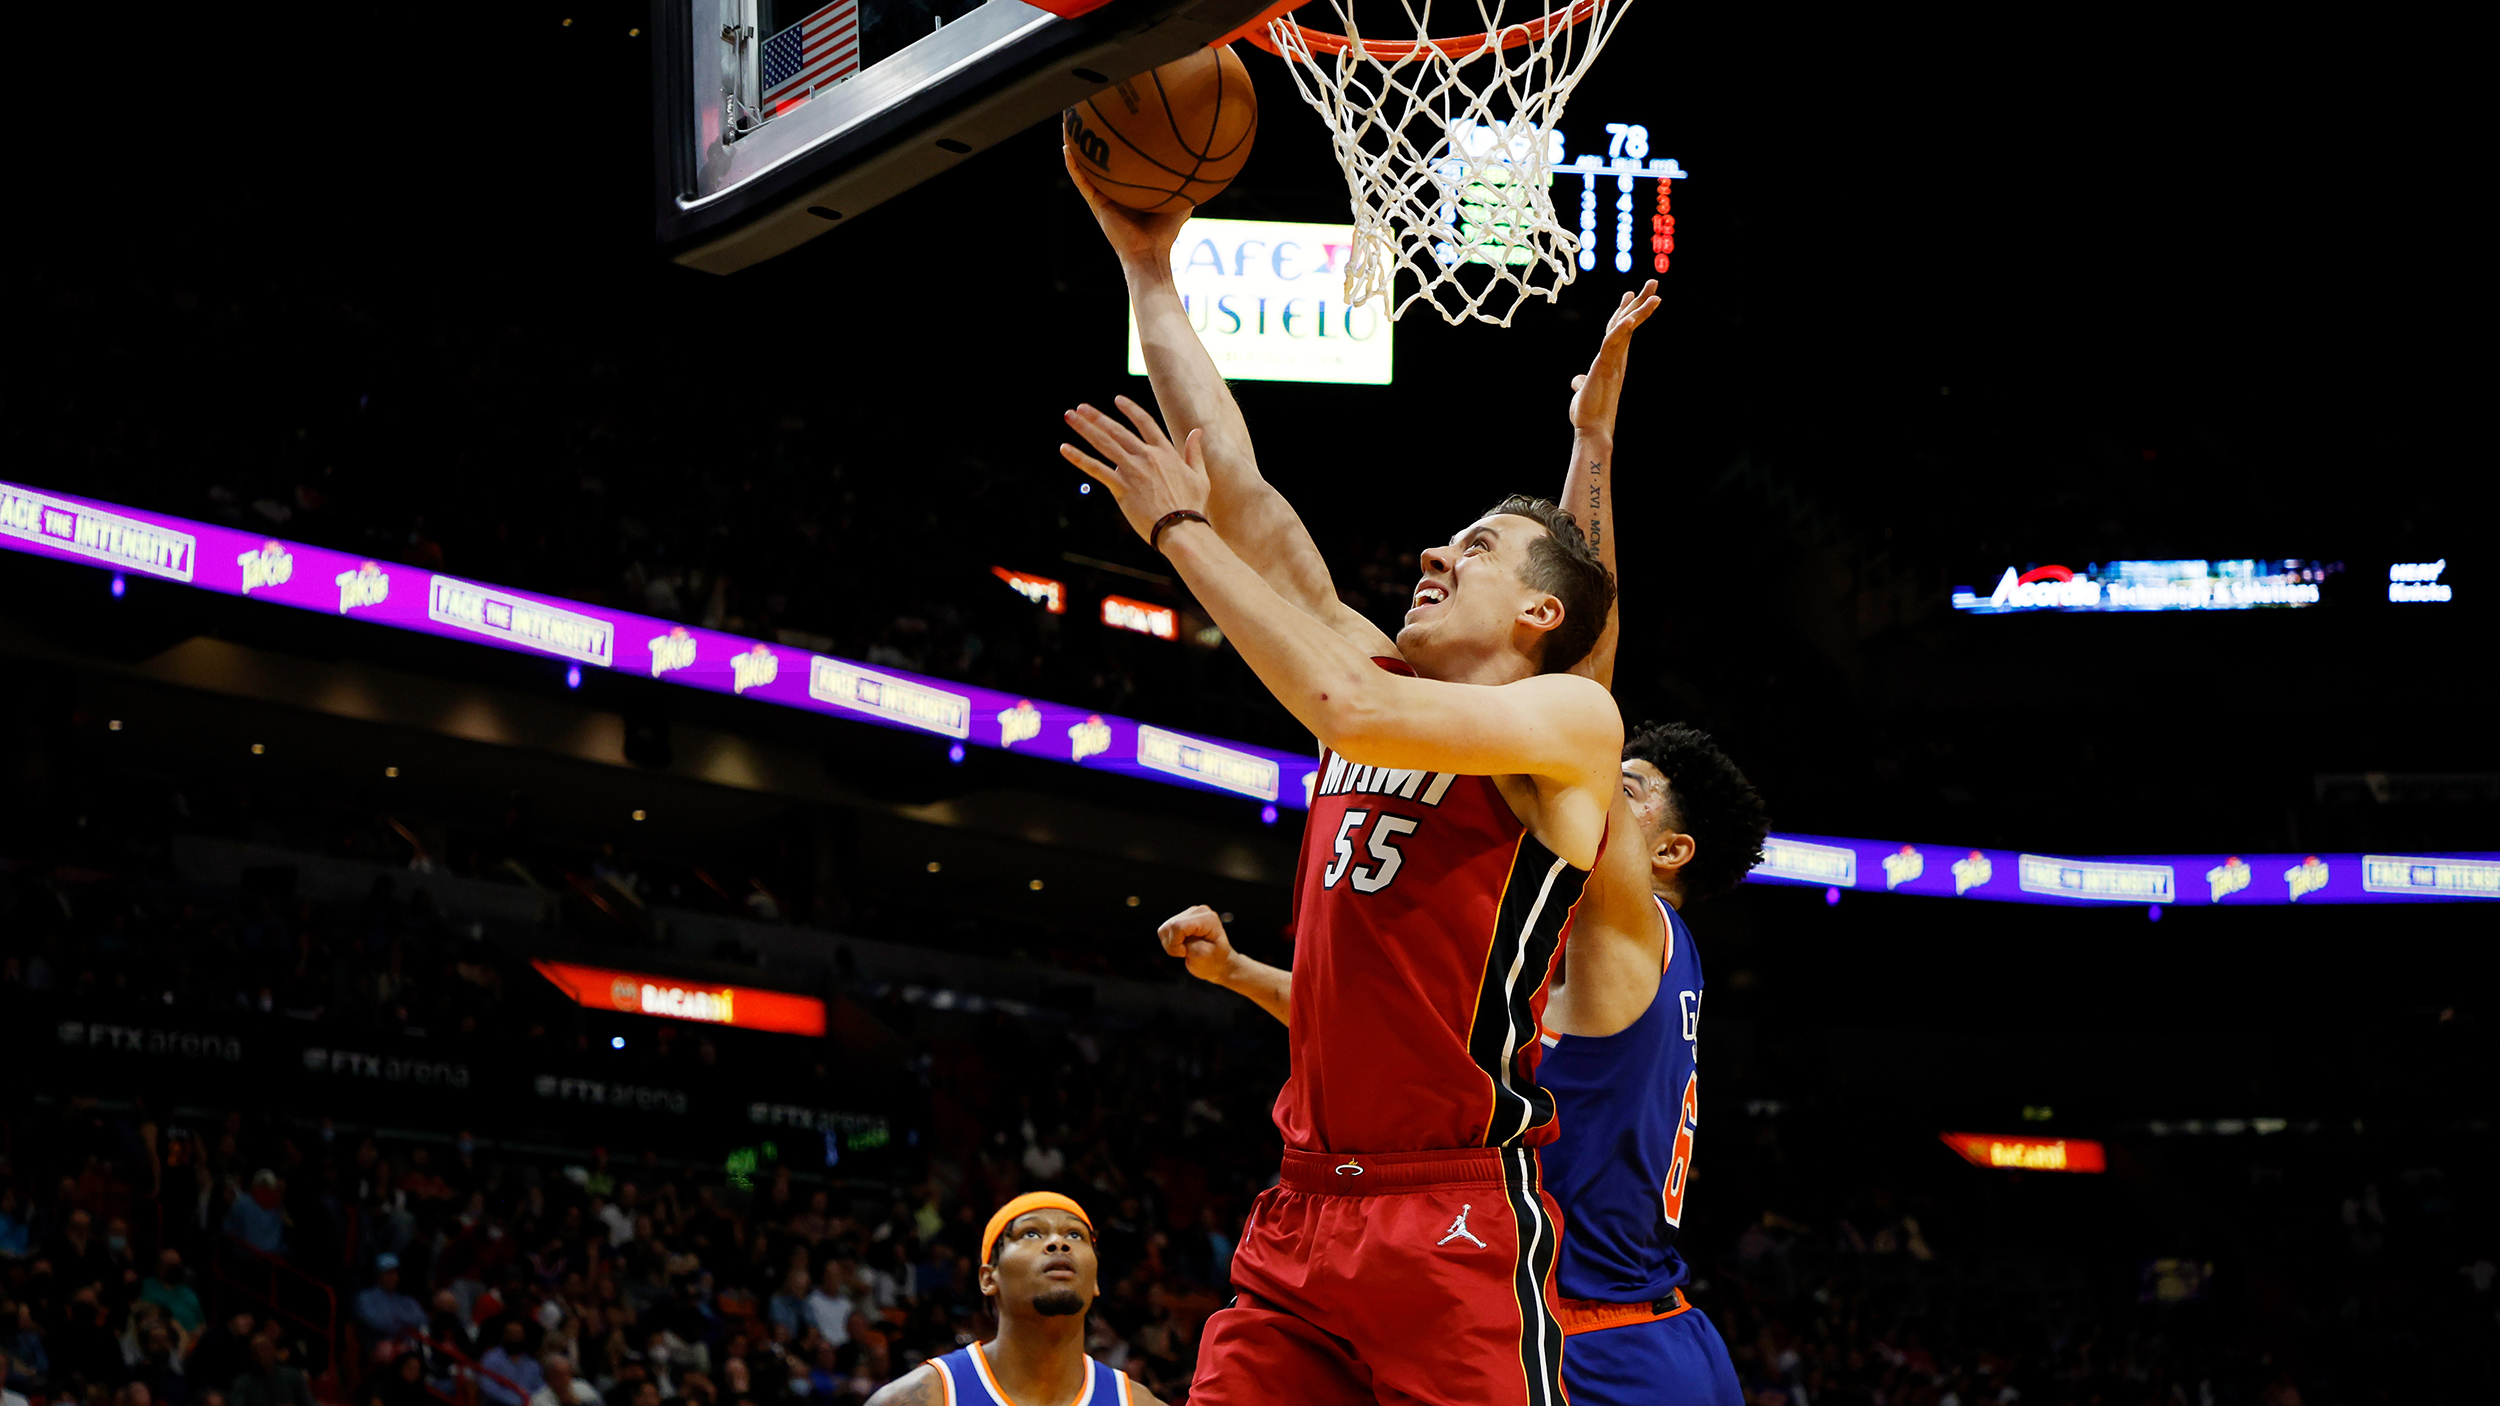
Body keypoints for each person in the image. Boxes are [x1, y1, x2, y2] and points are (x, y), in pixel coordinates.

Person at [1064, 149, 1636, 1406]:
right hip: (1301, 1207)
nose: (1433, 550)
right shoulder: (1375, 665)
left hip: (1452, 1217)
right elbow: (1238, 474)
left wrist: (1174, 529)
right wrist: (1148, 266)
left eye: (1474, 548)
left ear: (1537, 608)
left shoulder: (1563, 727)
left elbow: (1350, 705)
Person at [1160, 716, 1768, 1405]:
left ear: (1670, 852)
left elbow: (1576, 739)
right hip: (1640, 1328)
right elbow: (1399, 1038)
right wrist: (1237, 971)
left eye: (1623, 789)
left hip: (1587, 1341)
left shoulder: (1631, 936)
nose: (1589, 785)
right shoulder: (1591, 964)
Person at [864, 1193, 1163, 1406]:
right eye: (1031, 1233)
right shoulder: (919, 1399)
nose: (1058, 1243)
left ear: (1096, 1279)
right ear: (988, 1278)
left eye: (1075, 1236)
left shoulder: (1137, 1402)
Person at [354, 1255, 428, 1356]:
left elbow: (422, 1319)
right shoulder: (365, 1298)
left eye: (395, 1273)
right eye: (388, 1273)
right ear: (378, 1275)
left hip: (407, 1345)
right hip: (378, 1347)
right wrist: (404, 1323)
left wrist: (397, 1320)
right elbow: (379, 1324)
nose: (392, 1277)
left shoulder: (405, 1300)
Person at [228, 1336, 316, 1406]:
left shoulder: (292, 1375)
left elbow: (309, 1403)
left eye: (264, 1349)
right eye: (256, 1351)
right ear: (251, 1356)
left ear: (274, 1350)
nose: (261, 1354)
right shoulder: (243, 1383)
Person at [141, 1251, 206, 1338]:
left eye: (177, 1266)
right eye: (171, 1266)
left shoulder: (188, 1292)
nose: (175, 1270)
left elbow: (202, 1323)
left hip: (194, 1342)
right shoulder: (149, 1286)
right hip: (167, 1341)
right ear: (159, 1266)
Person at [527, 1353, 601, 1406]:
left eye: (567, 1374)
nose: (564, 1380)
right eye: (558, 1376)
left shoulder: (584, 1387)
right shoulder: (538, 1400)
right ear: (548, 1379)